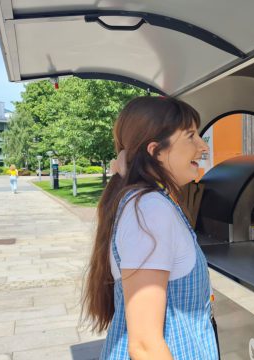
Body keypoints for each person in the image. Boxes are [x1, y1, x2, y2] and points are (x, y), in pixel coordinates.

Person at [82, 96, 218, 360]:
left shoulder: (150, 202)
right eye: (191, 136)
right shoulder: (149, 210)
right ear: (156, 151)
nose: (203, 146)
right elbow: (145, 345)